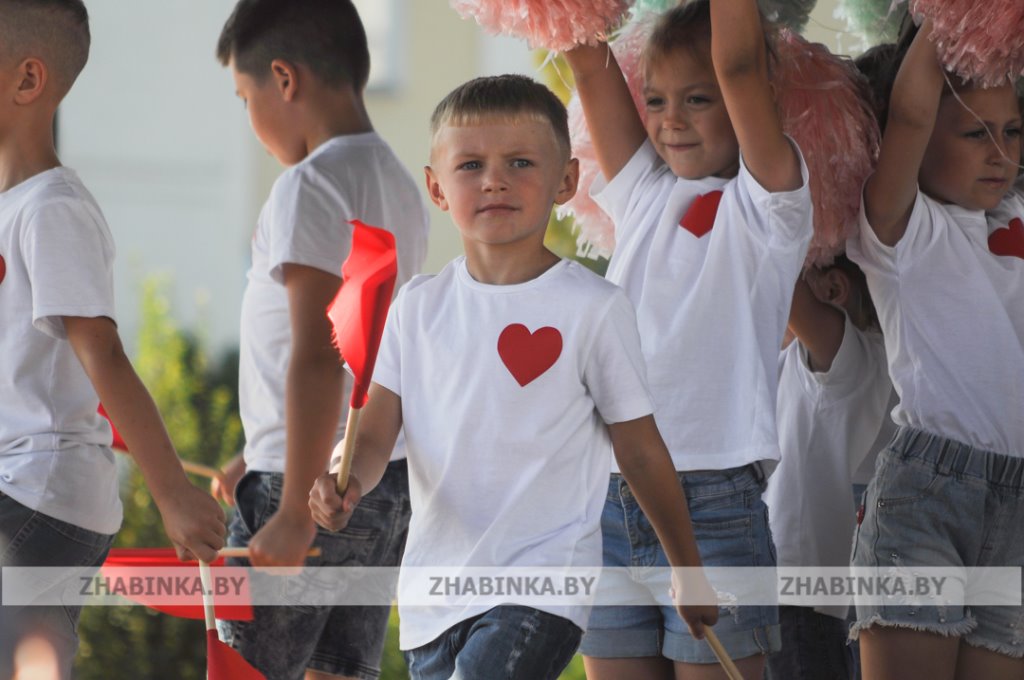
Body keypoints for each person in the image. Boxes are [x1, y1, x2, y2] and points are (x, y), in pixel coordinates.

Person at [308, 74, 718, 680]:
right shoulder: (416, 308)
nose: (494, 180)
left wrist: (687, 570)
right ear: (436, 188)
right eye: (470, 164)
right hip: (433, 600)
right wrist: (345, 479)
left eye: (520, 161)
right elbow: (373, 434)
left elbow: (641, 450)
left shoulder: (593, 308)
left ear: (567, 181)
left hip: (542, 587)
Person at [562, 1, 812, 677]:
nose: (671, 119)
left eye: (697, 99)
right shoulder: (645, 192)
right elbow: (585, 53)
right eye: (656, 100)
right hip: (609, 495)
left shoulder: (771, 207)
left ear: (753, 95)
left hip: (714, 503)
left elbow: (736, 63)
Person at [0, 2, 226, 678]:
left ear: (27, 80)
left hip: (41, 485)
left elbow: (102, 353)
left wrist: (173, 495)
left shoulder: (52, 210)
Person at [213, 0, 429, 678]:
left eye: (245, 97)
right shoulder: (398, 181)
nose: (249, 121)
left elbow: (319, 354)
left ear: (284, 78)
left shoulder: (308, 187)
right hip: (378, 482)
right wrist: (259, 449)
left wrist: (295, 504)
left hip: (306, 489)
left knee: (244, 668)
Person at [847, 15, 1024, 680]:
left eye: (1011, 131)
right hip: (927, 496)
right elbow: (914, 111)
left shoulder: (1016, 218)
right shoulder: (901, 232)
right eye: (976, 133)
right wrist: (954, 19)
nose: (1000, 152)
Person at [764, 255, 896, 680]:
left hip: (802, 591)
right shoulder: (818, 360)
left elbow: (769, 264)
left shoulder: (846, 356)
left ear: (832, 290)